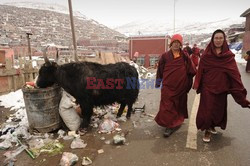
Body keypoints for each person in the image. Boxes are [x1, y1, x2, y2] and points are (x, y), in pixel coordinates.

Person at [193, 29, 250, 143]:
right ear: (212, 40)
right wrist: (197, 84)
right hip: (208, 87)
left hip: (222, 88)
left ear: (224, 40)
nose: (218, 40)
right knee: (207, 110)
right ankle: (207, 129)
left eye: (220, 38)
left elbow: (235, 75)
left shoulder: (228, 56)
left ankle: (213, 125)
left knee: (218, 110)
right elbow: (200, 71)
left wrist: (241, 96)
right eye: (216, 38)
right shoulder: (206, 55)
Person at [155, 34, 196, 137]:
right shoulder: (165, 56)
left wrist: (188, 81)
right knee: (167, 105)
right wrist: (158, 82)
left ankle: (173, 124)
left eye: (178, 43)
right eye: (174, 43)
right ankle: (169, 124)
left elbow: (191, 69)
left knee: (178, 105)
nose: (176, 45)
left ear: (181, 45)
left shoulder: (184, 56)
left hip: (180, 86)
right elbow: (160, 70)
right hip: (168, 86)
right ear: (171, 44)